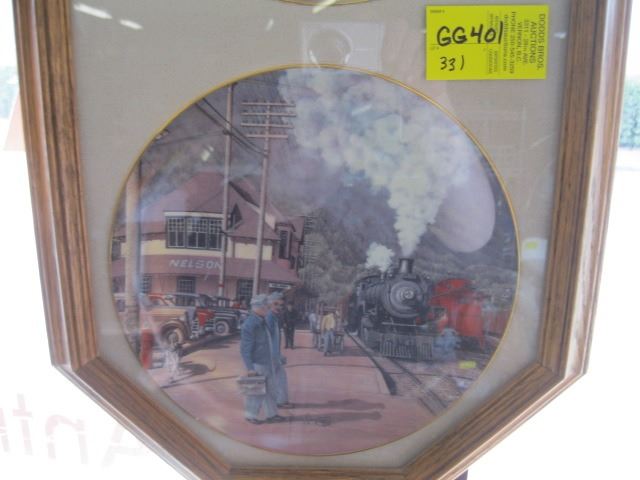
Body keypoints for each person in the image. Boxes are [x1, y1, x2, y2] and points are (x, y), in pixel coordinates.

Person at [239, 294, 285, 424]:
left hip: (267, 362)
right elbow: (245, 349)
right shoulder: (250, 324)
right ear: (258, 307)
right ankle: (250, 416)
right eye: (266, 306)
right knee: (255, 392)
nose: (268, 308)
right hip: (257, 363)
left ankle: (272, 414)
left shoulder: (262, 321)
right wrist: (250, 368)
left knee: (270, 390)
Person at [266, 292, 293, 409]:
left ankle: (280, 401)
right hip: (269, 354)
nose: (279, 307)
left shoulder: (274, 317)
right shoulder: (269, 318)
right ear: (270, 304)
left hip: (274, 354)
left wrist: (279, 354)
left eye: (281, 305)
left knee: (279, 377)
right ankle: (278, 402)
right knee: (277, 378)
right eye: (276, 304)